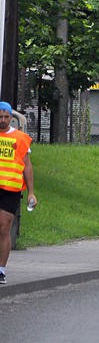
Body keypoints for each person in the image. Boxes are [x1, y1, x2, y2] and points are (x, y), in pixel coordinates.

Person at [0, 102, 36, 285]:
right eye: (0, 117)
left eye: (6, 117)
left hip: (10, 190)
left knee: (4, 228)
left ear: (11, 118)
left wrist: (31, 193)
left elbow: (27, 166)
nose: (3, 120)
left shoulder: (21, 138)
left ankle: (1, 269)